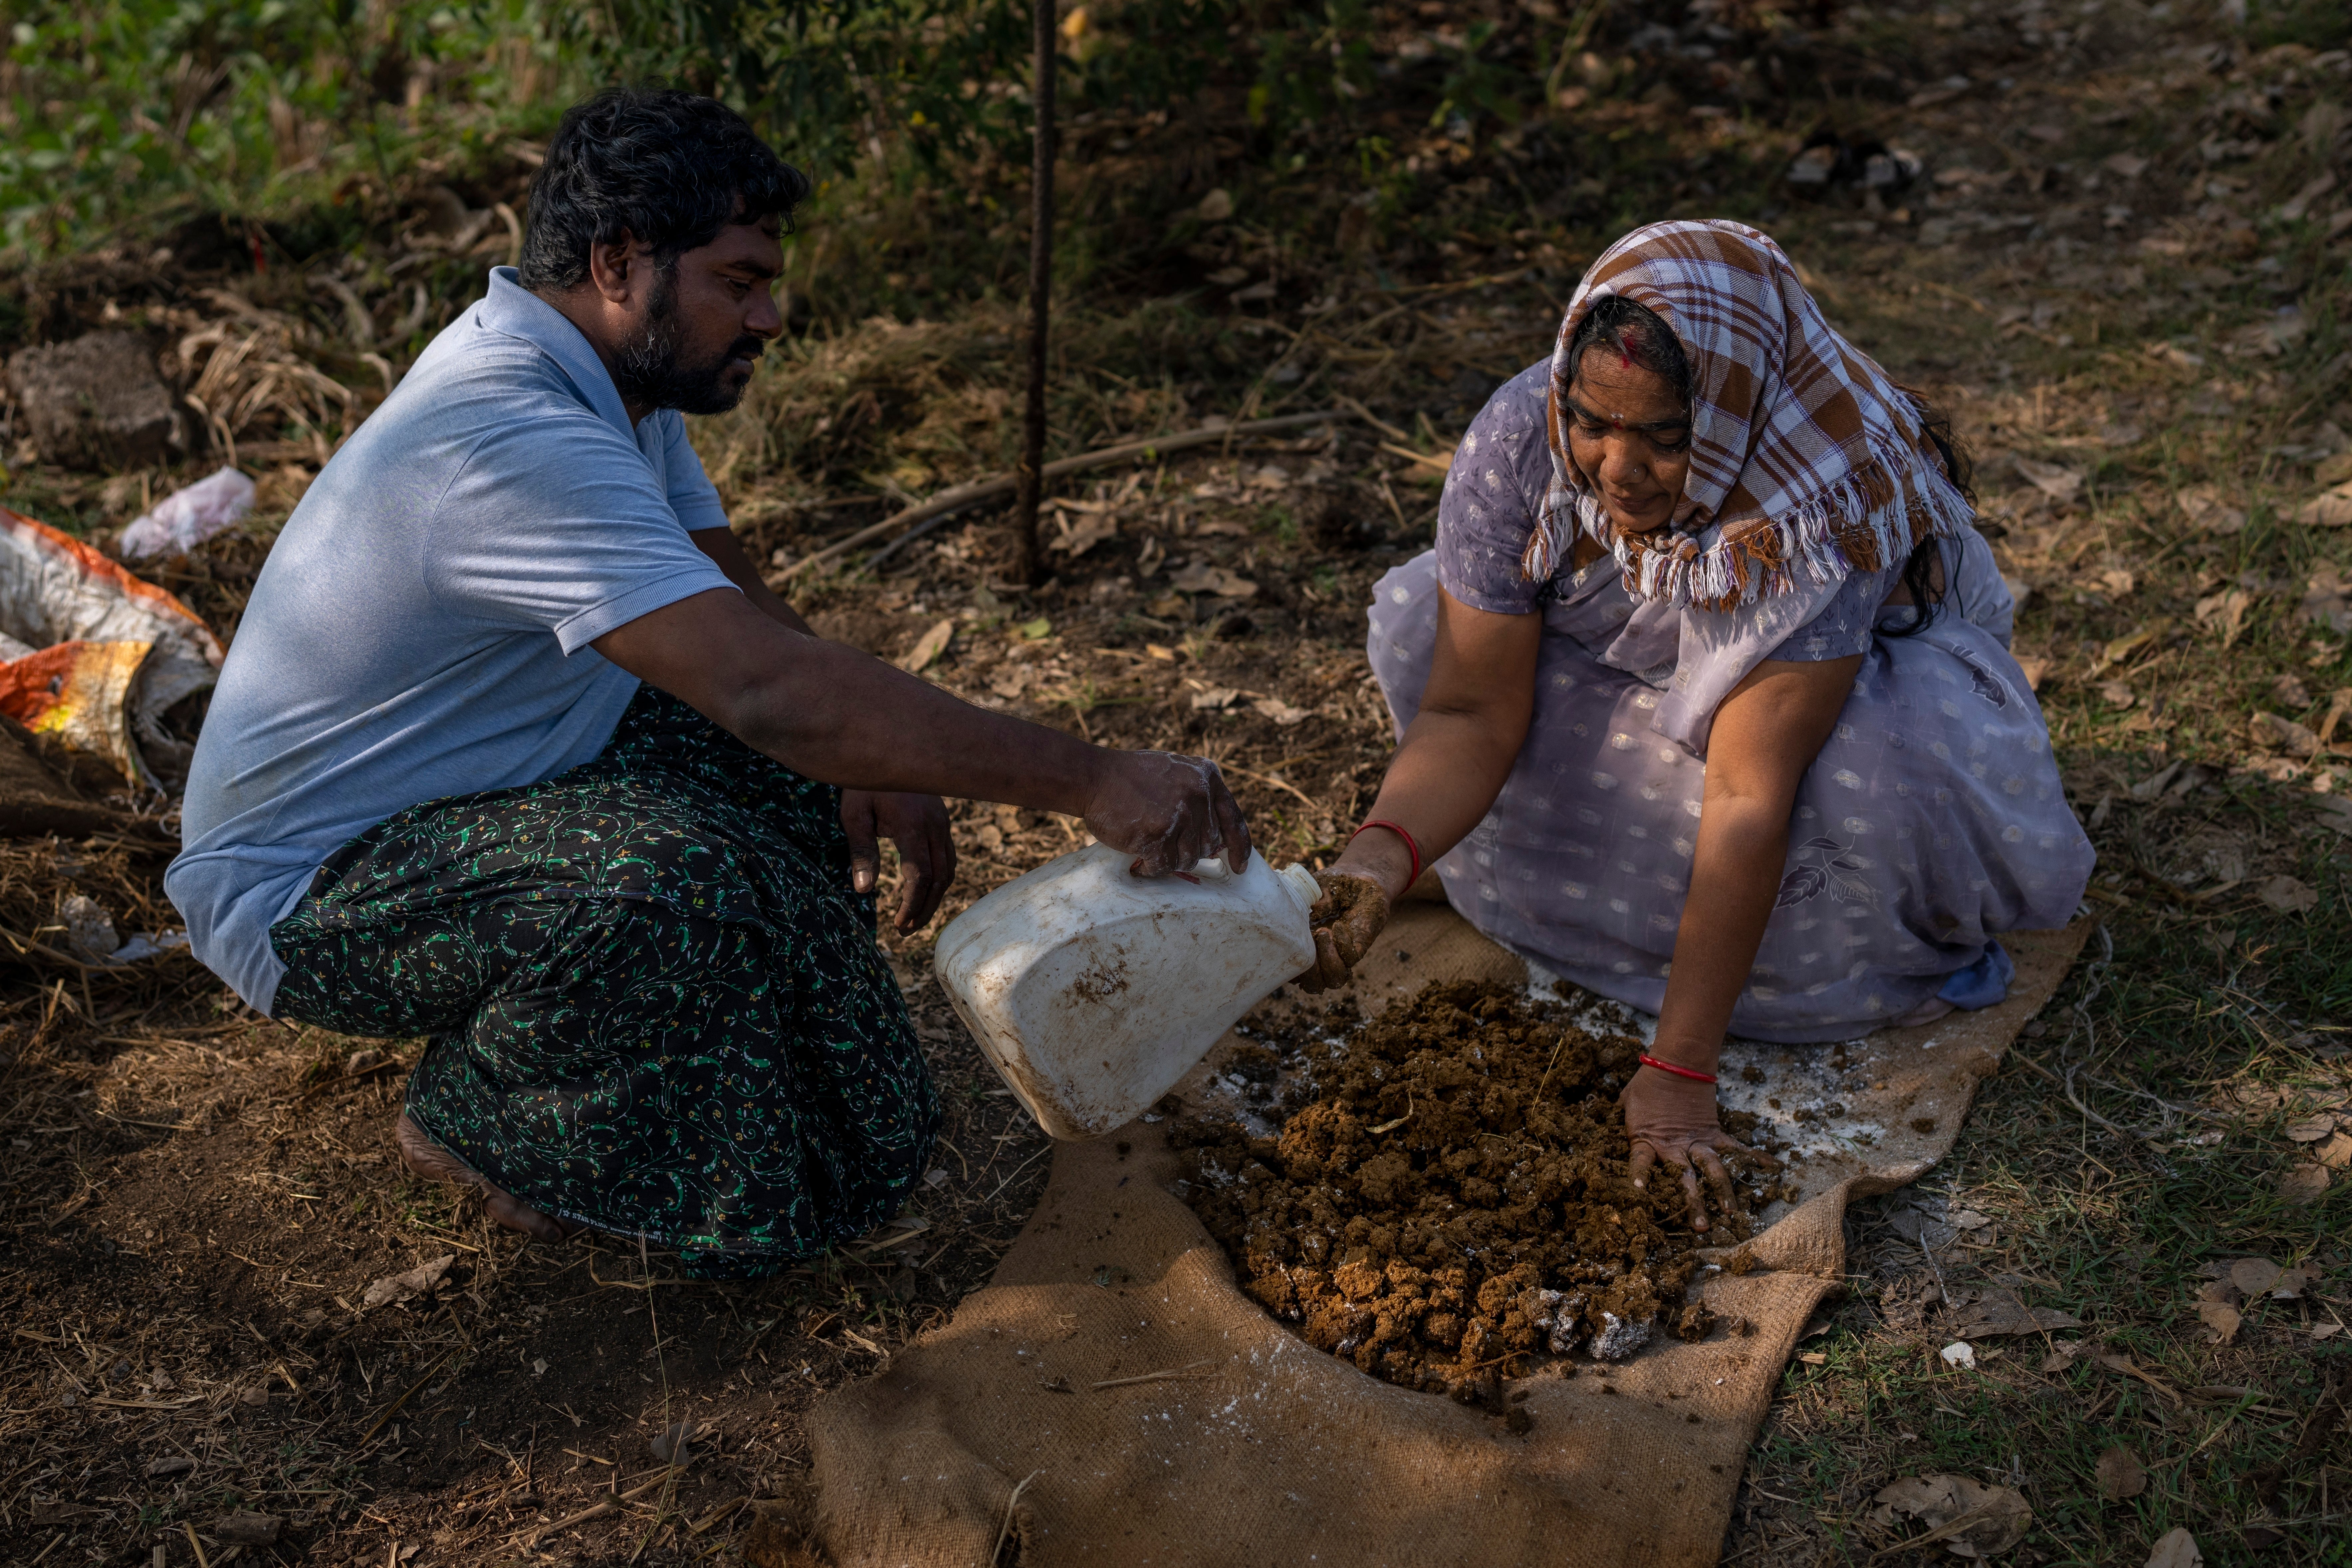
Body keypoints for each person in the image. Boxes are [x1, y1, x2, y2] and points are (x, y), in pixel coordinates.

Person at [166, 88, 1250, 1278]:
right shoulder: (507, 437)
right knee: (667, 887)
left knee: (856, 1072)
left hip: (492, 789)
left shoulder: (612, 388)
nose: (770, 315)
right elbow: (767, 691)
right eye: (737, 283)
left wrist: (870, 756)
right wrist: (1089, 777)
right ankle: (481, 1112)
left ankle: (739, 1059)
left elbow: (741, 617)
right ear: (619, 262)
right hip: (319, 893)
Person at [1299, 220, 2092, 1232]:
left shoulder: (1815, 502)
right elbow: (1466, 709)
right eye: (1593, 423)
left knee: (1875, 772)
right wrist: (1375, 862)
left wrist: (1676, 1075)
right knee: (1423, 626)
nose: (1617, 470)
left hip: (1828, 716)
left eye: (1666, 440)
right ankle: (1543, 905)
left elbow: (1747, 797)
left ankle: (1808, 978)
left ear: (1727, 416)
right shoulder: (1519, 440)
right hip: (1640, 685)